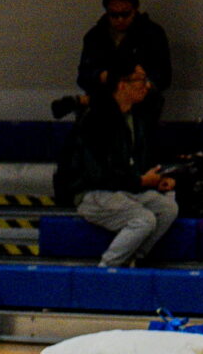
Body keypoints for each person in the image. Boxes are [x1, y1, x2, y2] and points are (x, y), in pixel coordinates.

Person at [69, 63, 179, 267]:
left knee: (167, 208)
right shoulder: (96, 119)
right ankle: (107, 268)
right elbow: (98, 173)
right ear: (122, 85)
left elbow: (131, 164)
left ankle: (134, 258)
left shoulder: (135, 118)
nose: (146, 86)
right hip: (94, 192)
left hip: (123, 188)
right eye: (140, 80)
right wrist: (139, 180)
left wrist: (153, 181)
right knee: (144, 220)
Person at [76, 0, 171, 123]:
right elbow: (83, 75)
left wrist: (140, 84)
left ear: (135, 10)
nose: (120, 19)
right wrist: (101, 76)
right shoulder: (95, 36)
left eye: (125, 14)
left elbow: (164, 76)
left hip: (141, 106)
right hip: (102, 105)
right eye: (114, 15)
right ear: (106, 12)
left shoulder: (152, 34)